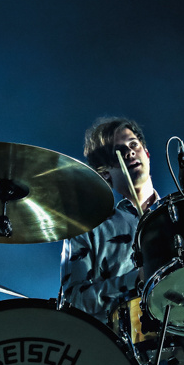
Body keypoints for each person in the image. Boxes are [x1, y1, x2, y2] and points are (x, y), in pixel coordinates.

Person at [59, 116, 159, 324]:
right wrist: (135, 280)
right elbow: (73, 301)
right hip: (116, 341)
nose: (130, 152)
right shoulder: (88, 227)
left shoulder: (180, 216)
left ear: (147, 154)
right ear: (105, 173)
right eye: (119, 152)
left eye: (134, 145)